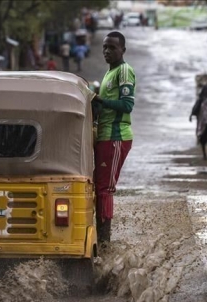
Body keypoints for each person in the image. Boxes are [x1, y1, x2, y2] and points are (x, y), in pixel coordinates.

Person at [92, 31, 136, 244]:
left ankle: (105, 242)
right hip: (104, 136)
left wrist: (100, 100)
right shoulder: (108, 73)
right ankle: (100, 237)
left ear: (123, 50)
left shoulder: (125, 71)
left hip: (116, 136)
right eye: (105, 47)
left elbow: (127, 105)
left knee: (105, 189)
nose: (107, 51)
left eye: (112, 47)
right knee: (98, 187)